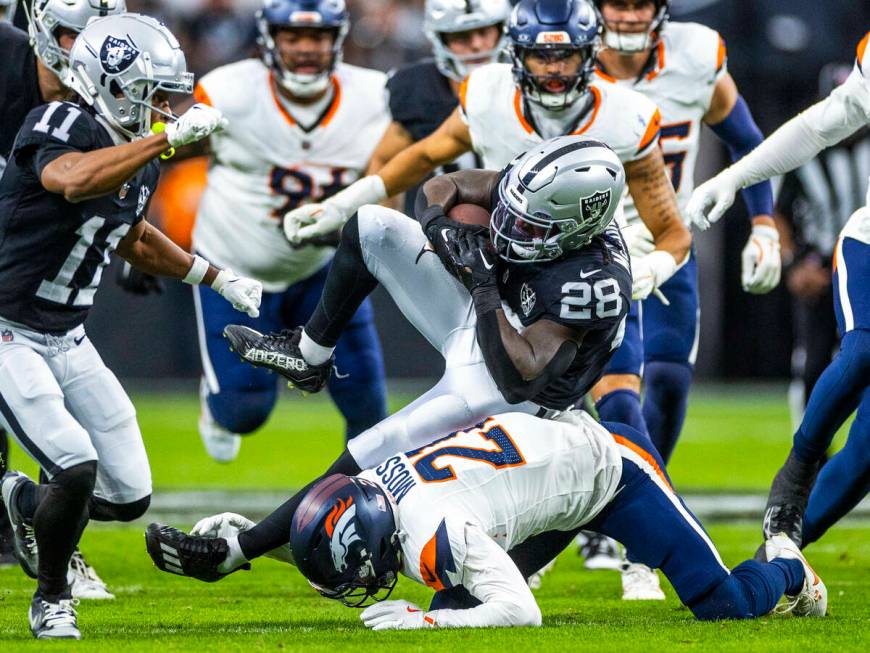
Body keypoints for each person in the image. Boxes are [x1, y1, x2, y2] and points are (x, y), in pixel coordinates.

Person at [282, 0, 691, 599]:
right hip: (514, 271)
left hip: (594, 282)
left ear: (590, 53)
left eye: (566, 54)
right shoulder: (487, 92)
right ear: (516, 55)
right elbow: (424, 162)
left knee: (622, 414)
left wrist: (651, 267)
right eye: (540, 54)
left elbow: (673, 230)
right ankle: (531, 542)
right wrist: (345, 204)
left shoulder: (627, 116)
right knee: (512, 418)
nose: (552, 69)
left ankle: (641, 555)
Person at [143, 137, 636, 594]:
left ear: (576, 228)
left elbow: (515, 377)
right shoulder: (534, 194)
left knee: (378, 448)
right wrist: (442, 226)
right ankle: (309, 357)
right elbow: (446, 186)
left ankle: (233, 553)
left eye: (526, 226)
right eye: (507, 211)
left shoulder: (591, 282)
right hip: (488, 322)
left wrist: (484, 282)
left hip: (518, 389)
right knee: (372, 226)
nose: (506, 227)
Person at [0, 13, 262, 639]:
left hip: (67, 335)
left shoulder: (137, 155)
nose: (165, 109)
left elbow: (133, 237)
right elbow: (70, 180)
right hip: (8, 326)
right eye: (153, 93)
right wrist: (160, 145)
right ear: (111, 83)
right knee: (74, 464)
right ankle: (52, 598)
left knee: (127, 495)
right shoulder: (61, 120)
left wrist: (214, 277)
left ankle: (18, 501)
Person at [148, 410, 827, 628]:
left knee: (720, 604)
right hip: (540, 487)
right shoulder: (374, 494)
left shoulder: (435, 528)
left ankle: (787, 567)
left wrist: (430, 619)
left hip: (608, 470)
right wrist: (269, 541)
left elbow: (520, 610)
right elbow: (341, 531)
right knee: (453, 594)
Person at [574, 0, 776, 590]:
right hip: (590, 250)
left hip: (667, 247)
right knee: (609, 397)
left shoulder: (694, 57)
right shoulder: (566, 66)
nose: (630, 15)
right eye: (618, 3)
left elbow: (747, 140)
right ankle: (639, 536)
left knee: (666, 384)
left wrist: (763, 221)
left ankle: (634, 531)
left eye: (641, 3)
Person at [181, 0, 390, 463]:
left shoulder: (376, 96)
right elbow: (165, 147)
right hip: (233, 270)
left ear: (336, 39)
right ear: (270, 40)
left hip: (323, 273)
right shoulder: (227, 90)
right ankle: (214, 399)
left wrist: (347, 228)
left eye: (316, 37)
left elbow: (395, 177)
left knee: (367, 405)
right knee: (243, 413)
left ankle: (370, 505)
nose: (305, 49)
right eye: (292, 37)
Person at [686, 32, 870, 549]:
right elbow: (822, 123)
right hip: (869, 241)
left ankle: (779, 554)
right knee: (862, 352)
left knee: (866, 453)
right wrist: (737, 178)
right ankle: (797, 471)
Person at [0, 0, 129, 594]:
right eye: (75, 32)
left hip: (29, 271)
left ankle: (36, 517)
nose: (87, 46)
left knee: (104, 474)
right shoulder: (8, 63)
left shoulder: (104, 96)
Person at [775, 64, 867, 431]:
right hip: (819, 264)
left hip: (866, 260)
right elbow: (778, 215)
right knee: (813, 362)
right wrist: (794, 263)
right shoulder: (805, 150)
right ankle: (809, 454)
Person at [370, 0, 511, 216]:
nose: (476, 45)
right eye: (461, 36)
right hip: (438, 224)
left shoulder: (522, 84)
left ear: (502, 29)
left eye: (484, 32)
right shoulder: (418, 88)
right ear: (440, 39)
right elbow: (385, 161)